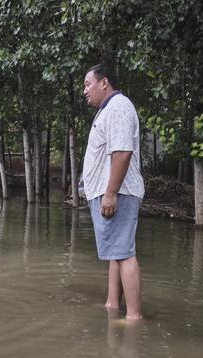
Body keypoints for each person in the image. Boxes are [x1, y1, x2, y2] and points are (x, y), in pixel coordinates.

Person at [81, 64, 145, 320]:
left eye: (87, 84)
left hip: (117, 192)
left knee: (124, 253)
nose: (85, 91)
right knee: (115, 253)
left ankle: (134, 318)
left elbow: (122, 151)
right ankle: (112, 305)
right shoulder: (108, 110)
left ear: (104, 82)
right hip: (109, 192)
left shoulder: (118, 106)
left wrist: (110, 193)